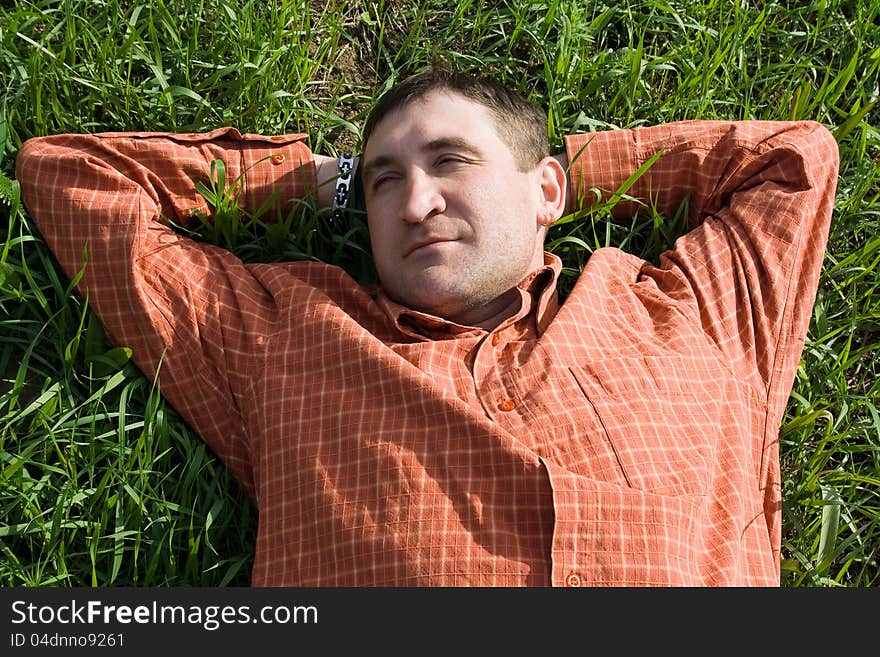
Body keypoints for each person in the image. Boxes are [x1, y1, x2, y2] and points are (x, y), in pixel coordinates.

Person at [15, 62, 839, 586]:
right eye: (382, 183)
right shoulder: (286, 341)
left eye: (451, 161)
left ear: (549, 191)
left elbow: (793, 157)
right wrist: (323, 183)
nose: (414, 203)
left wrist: (542, 174)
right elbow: (72, 177)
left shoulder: (698, 318)